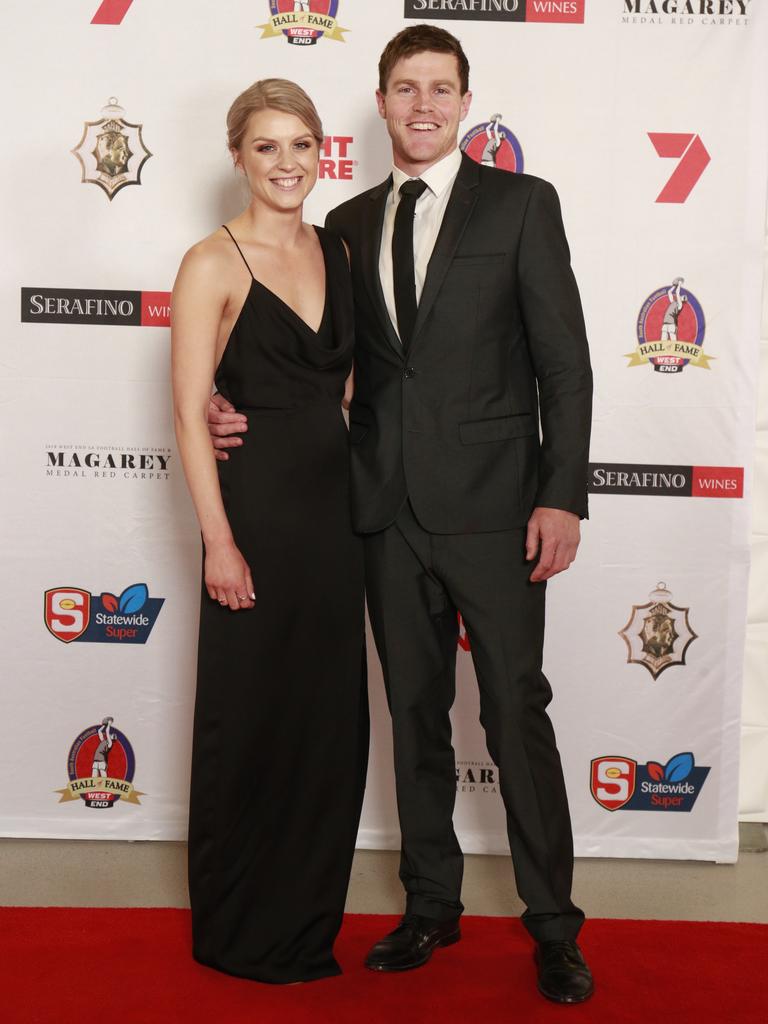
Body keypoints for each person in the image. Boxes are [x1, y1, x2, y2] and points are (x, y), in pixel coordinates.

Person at [209, 26, 594, 1004]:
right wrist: (226, 401)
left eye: (442, 89)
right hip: (379, 510)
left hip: (497, 511)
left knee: (514, 712)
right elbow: (310, 357)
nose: (423, 105)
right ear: (378, 103)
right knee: (414, 715)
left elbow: (565, 364)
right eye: (405, 88)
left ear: (465, 102)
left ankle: (553, 923)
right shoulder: (340, 223)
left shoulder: (523, 204)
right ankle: (432, 903)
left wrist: (560, 492)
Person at [172, 78, 367, 985]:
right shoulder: (212, 262)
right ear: (239, 157)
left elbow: (351, 387)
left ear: (321, 153)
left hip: (334, 523)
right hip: (254, 519)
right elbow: (185, 415)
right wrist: (218, 539)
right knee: (250, 721)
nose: (286, 164)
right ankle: (241, 922)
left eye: (301, 146)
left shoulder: (341, 249)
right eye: (266, 147)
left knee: (327, 728)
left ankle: (307, 923)